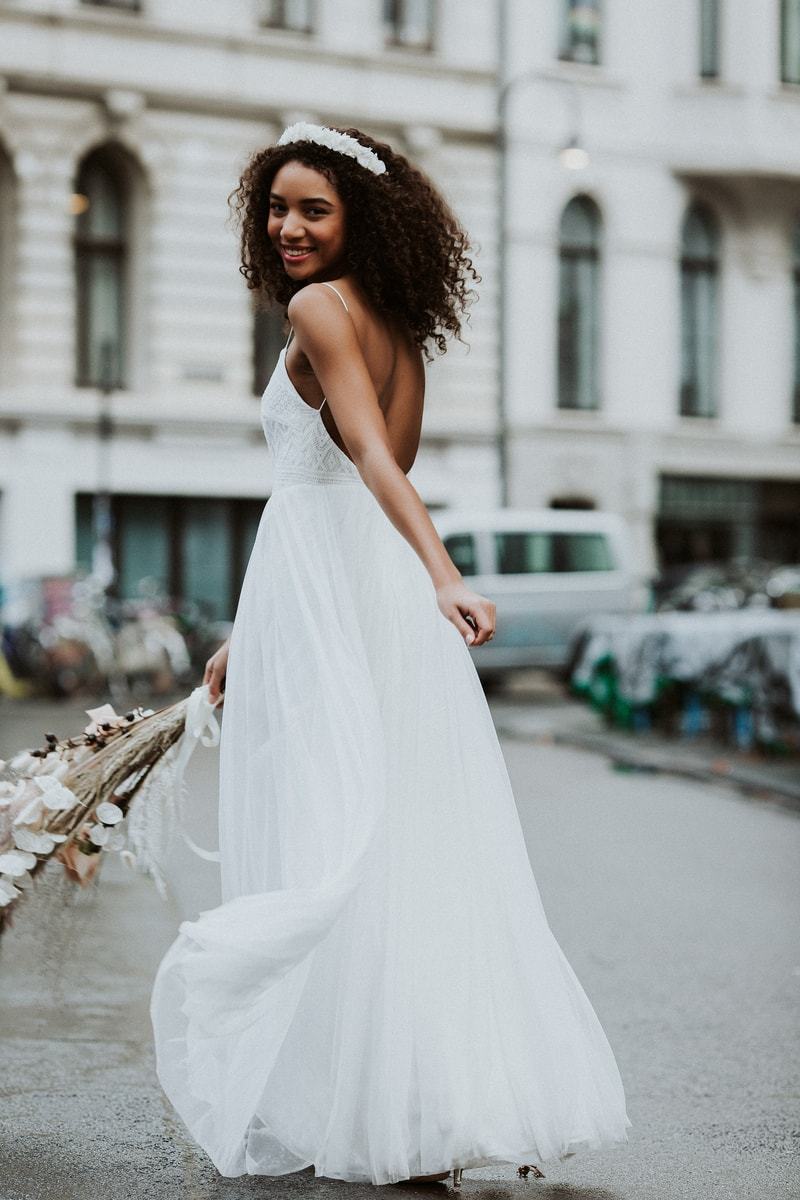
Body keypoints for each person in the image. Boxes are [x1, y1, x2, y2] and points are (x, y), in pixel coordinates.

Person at [150, 123, 630, 1188]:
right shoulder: (396, 324)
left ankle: (369, 1096)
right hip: (344, 589)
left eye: (312, 208)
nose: (287, 227)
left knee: (332, 834)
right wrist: (252, 635)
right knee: (394, 838)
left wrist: (446, 571)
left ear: (356, 216)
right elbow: (352, 476)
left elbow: (364, 459)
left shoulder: (321, 310)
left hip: (341, 581)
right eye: (277, 207)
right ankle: (415, 1097)